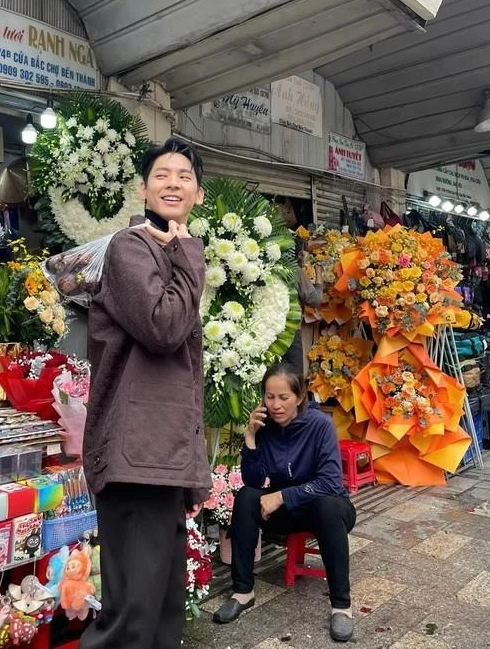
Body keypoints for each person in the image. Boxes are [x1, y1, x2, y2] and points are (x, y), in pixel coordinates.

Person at [80, 137, 212, 649]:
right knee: (132, 616)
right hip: (136, 454)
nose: (173, 183)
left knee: (161, 606)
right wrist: (190, 253)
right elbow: (164, 327)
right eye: (162, 175)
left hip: (160, 453)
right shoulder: (129, 247)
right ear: (143, 189)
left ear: (198, 194)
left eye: (184, 176)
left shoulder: (170, 250)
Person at [213, 363, 357, 643]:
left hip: (327, 508)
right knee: (246, 497)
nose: (275, 405)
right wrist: (251, 437)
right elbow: (254, 480)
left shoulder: (320, 425)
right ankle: (243, 591)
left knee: (327, 507)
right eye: (269, 397)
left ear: (300, 397)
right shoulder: (266, 428)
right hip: (288, 512)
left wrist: (281, 496)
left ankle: (341, 606)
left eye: (283, 397)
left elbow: (330, 482)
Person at [282, 238, 324, 374]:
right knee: (294, 374)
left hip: (269, 328)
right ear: (299, 254)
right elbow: (315, 300)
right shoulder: (295, 270)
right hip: (291, 329)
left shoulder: (268, 267)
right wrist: (319, 274)